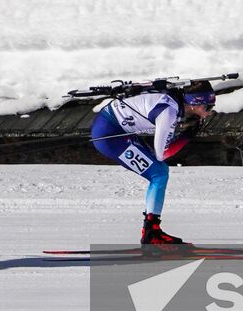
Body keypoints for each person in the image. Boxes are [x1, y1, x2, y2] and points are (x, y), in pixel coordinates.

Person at [89, 80, 216, 246]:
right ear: (194, 104)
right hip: (109, 136)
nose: (209, 112)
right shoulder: (169, 112)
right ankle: (151, 233)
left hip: (113, 127)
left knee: (160, 171)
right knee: (159, 173)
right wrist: (187, 136)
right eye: (208, 108)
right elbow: (162, 153)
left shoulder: (174, 100)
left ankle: (151, 230)